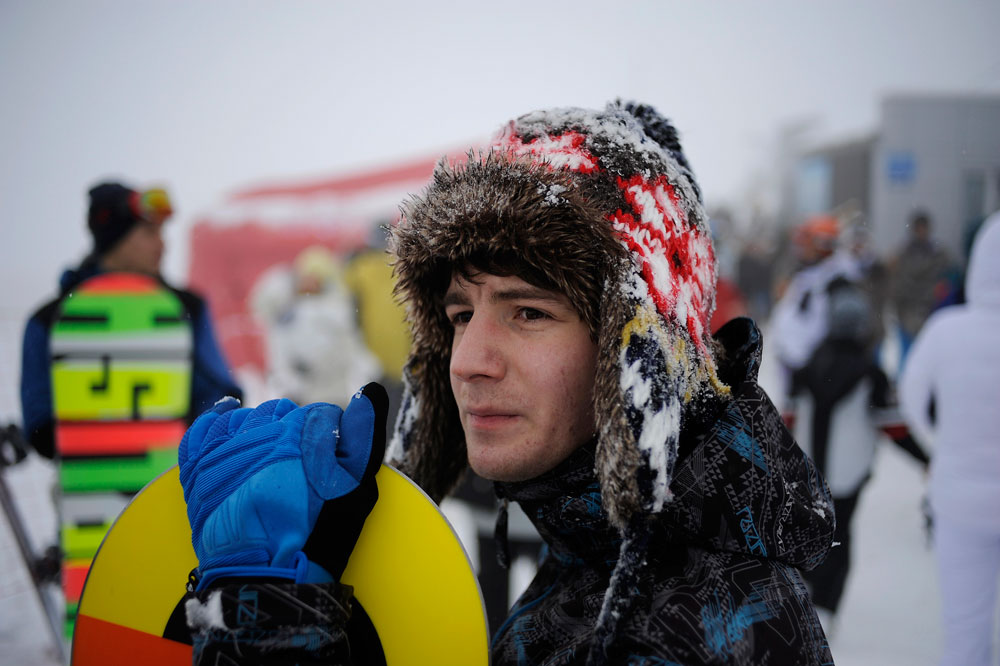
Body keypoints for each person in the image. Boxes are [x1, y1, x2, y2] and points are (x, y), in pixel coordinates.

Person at [178, 102, 836, 665]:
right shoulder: (607, 562)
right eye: (460, 315)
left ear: (639, 358)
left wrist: (278, 641)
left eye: (528, 312)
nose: (467, 360)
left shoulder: (695, 631)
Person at [20, 181, 242, 458]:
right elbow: (39, 425)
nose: (162, 243)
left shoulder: (189, 308)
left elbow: (220, 399)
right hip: (85, 489)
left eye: (162, 231)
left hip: (170, 483)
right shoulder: (48, 321)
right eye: (149, 232)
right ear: (115, 238)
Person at [790, 278, 929, 629]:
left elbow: (785, 420)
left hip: (806, 471)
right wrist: (928, 459)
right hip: (848, 474)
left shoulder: (806, 366)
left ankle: (804, 592)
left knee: (808, 530)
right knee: (840, 534)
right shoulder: (871, 373)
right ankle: (824, 604)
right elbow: (895, 429)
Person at [899, 211, 1000, 666]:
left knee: (964, 627)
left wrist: (941, 446)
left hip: (959, 497)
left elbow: (910, 398)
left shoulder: (947, 330)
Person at [250, 245, 382, 406]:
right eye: (307, 276)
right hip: (300, 392)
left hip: (335, 391)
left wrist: (369, 367)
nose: (310, 282)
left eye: (316, 277)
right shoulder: (286, 310)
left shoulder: (336, 307)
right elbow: (263, 307)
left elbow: (351, 343)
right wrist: (290, 379)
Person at [889, 211, 953, 363]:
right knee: (908, 356)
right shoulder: (902, 253)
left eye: (924, 228)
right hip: (907, 310)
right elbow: (897, 283)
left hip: (931, 310)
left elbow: (947, 281)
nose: (921, 232)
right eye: (918, 228)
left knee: (929, 355)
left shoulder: (939, 254)